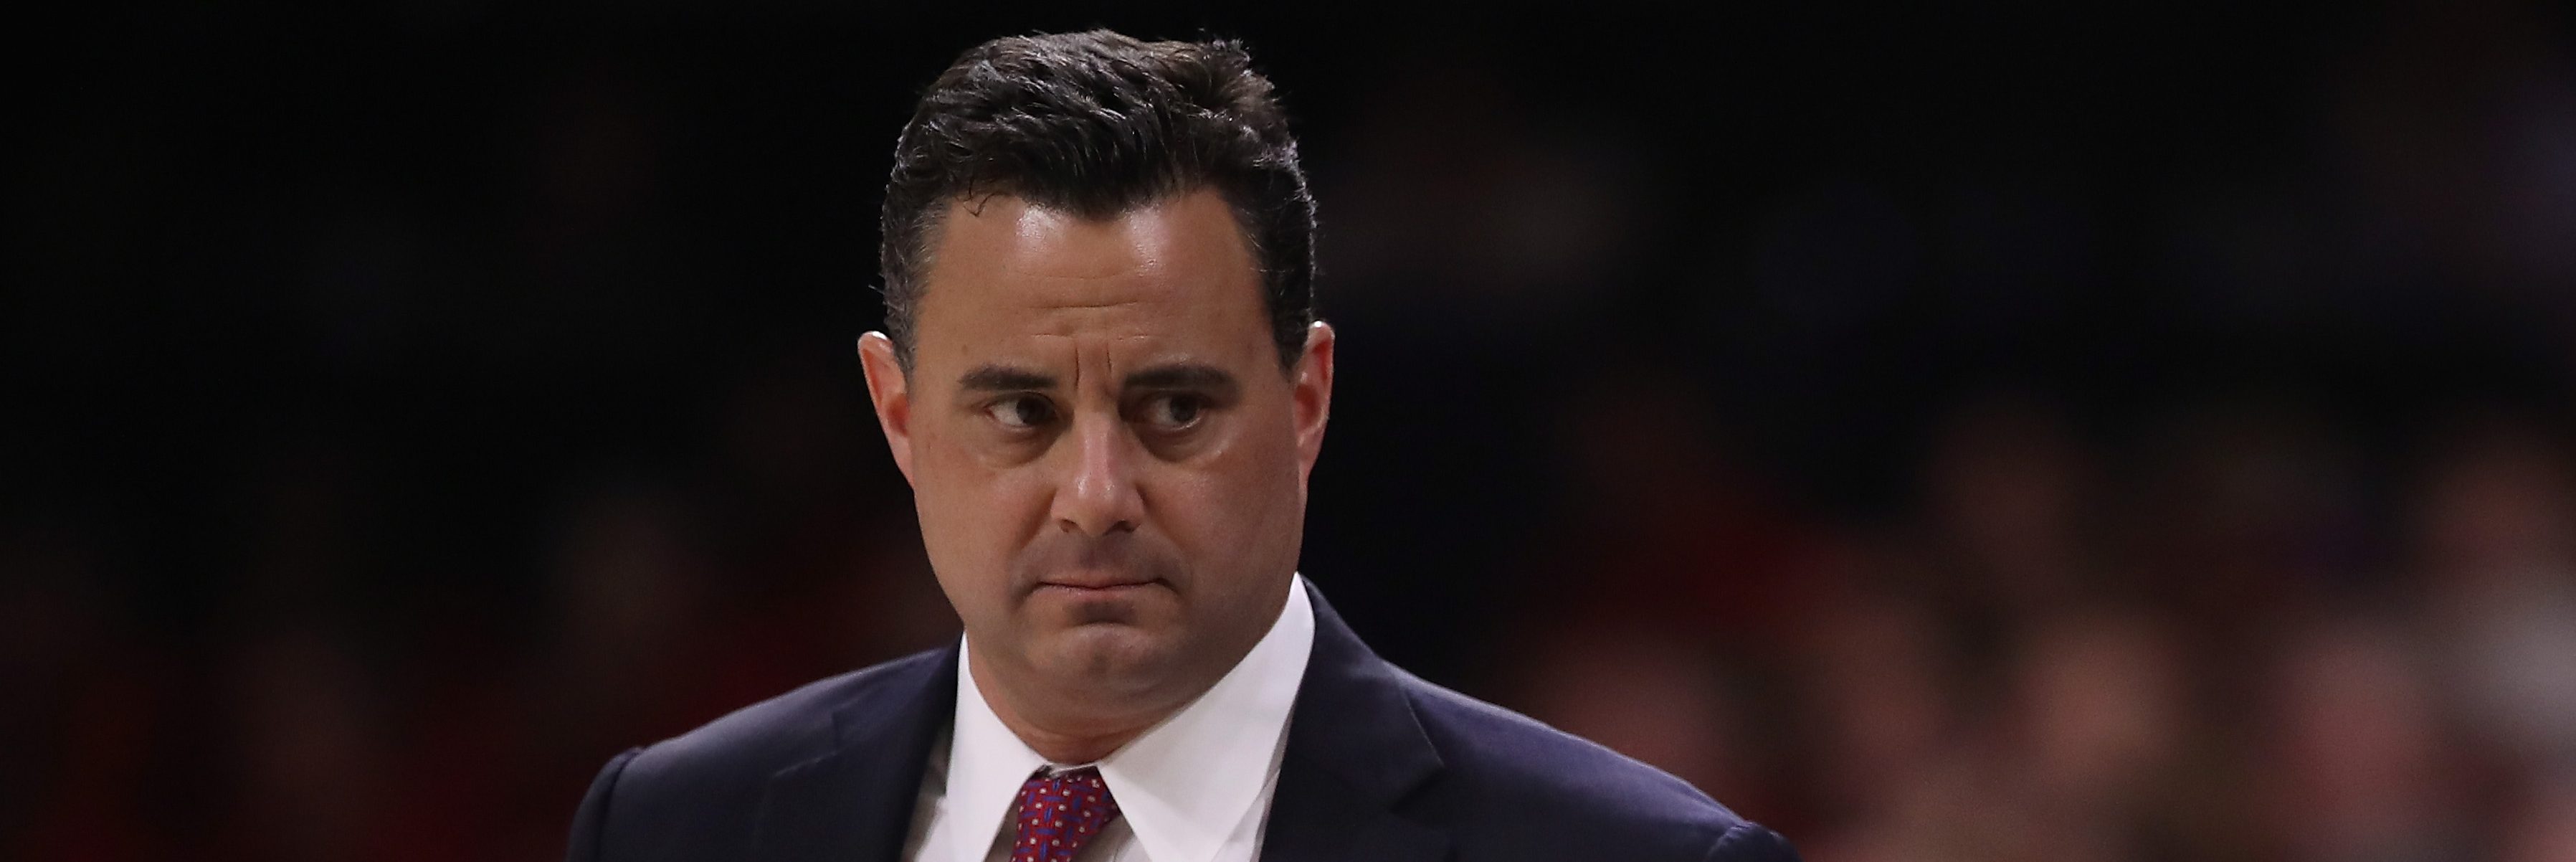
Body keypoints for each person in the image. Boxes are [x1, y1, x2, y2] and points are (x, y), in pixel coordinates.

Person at [562, 29, 1797, 862]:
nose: (1095, 495)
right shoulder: (673, 826)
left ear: (1305, 401)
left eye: (1175, 410)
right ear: (899, 415)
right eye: (1021, 412)